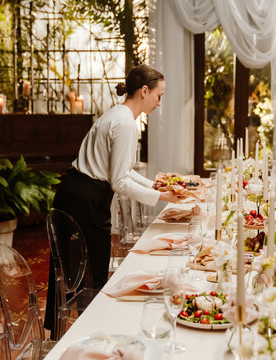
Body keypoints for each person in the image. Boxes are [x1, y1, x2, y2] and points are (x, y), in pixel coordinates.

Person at [44, 64, 182, 337]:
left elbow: (122, 172)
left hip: (77, 191)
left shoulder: (119, 115)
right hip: (86, 199)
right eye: (159, 95)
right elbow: (119, 181)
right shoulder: (125, 123)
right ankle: (94, 335)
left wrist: (155, 185)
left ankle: (72, 332)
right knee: (92, 273)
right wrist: (160, 196)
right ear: (145, 91)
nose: (160, 102)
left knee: (70, 271)